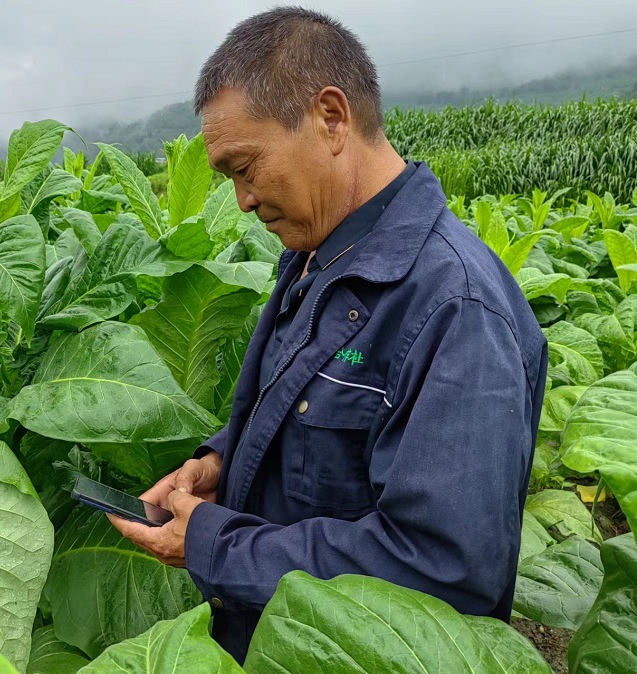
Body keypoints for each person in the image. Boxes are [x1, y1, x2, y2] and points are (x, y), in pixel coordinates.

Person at [108, 6, 549, 664]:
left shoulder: (455, 308)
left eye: (245, 168)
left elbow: (444, 572)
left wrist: (215, 545)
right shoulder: (317, 255)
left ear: (332, 118)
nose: (242, 200)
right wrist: (222, 462)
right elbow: (314, 407)